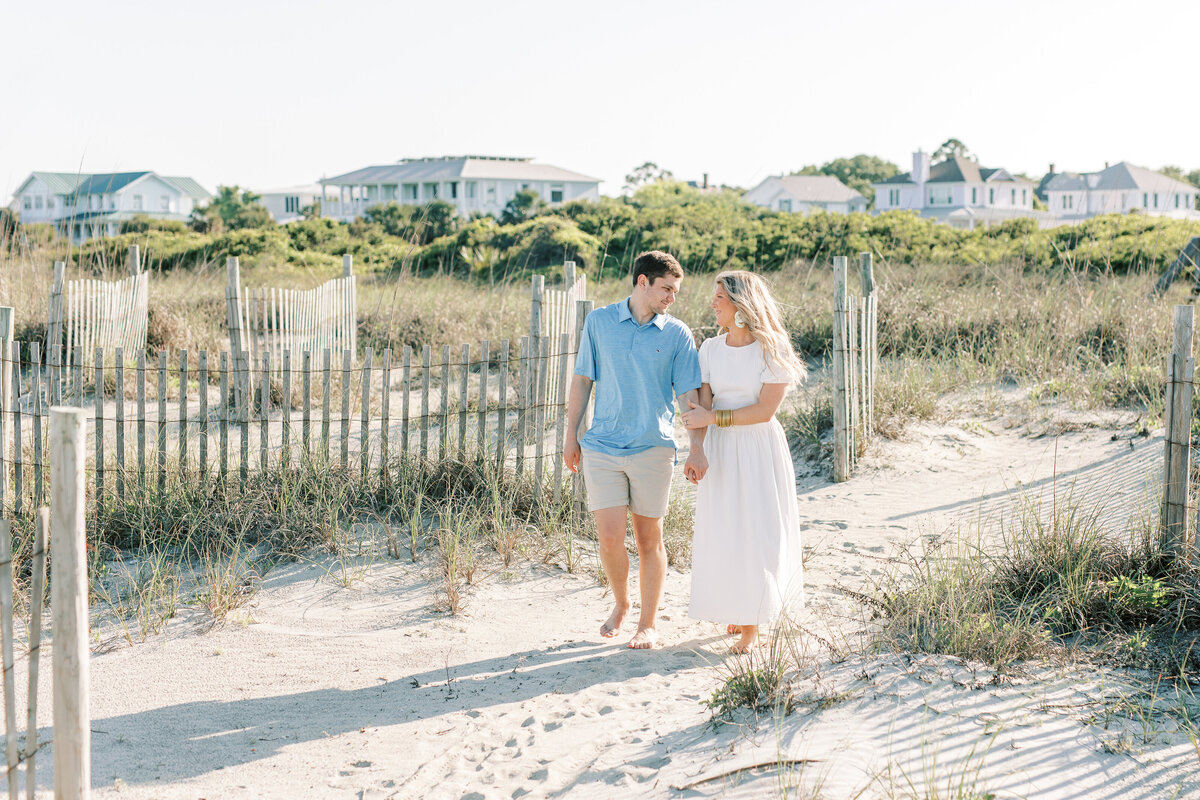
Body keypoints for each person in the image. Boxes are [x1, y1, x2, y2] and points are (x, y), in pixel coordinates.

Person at [564, 250, 707, 650]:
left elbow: (689, 397)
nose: (672, 298)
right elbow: (581, 382)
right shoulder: (599, 322)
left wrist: (696, 447)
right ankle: (622, 604)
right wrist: (570, 435)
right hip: (602, 447)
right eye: (666, 289)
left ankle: (648, 624)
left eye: (675, 291)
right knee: (609, 539)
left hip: (653, 449)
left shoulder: (678, 333)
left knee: (649, 540)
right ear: (642, 281)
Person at [680, 270, 806, 653]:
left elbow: (764, 411)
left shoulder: (773, 348)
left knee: (756, 530)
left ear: (740, 304)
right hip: (720, 449)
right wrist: (696, 448)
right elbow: (702, 404)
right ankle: (736, 606)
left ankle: (752, 623)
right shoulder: (709, 349)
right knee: (725, 528)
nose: (713, 303)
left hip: (757, 448)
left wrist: (711, 420)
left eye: (720, 296)